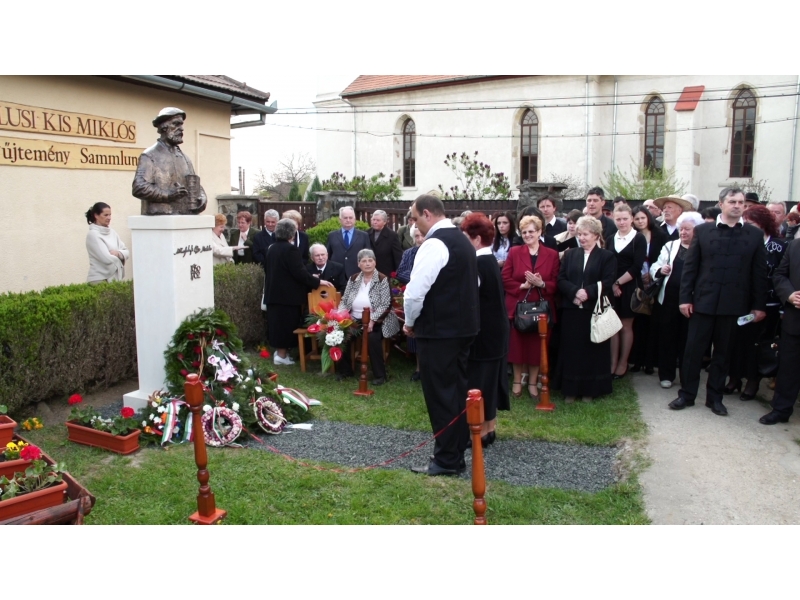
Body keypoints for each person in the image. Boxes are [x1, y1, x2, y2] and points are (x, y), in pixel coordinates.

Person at [668, 188, 769, 416]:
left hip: (734, 305)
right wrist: (685, 299)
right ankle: (687, 395)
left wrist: (758, 305)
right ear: (721, 204)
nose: (737, 205)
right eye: (732, 201)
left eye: (740, 202)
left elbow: (759, 274)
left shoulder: (754, 235)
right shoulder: (703, 231)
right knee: (693, 352)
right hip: (702, 302)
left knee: (723, 354)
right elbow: (690, 268)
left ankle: (715, 398)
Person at [404, 195, 479, 476]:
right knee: (456, 391)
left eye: (415, 218)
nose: (414, 225)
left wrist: (410, 322)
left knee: (441, 395)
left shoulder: (435, 244)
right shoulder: (462, 240)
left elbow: (414, 293)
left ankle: (447, 459)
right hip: (462, 329)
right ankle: (454, 452)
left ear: (427, 213)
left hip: (440, 332)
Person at [725, 204, 786, 400]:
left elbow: (783, 276)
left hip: (768, 305)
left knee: (758, 345)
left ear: (762, 224)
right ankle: (734, 378)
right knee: (736, 342)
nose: (746, 227)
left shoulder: (779, 247)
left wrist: (782, 307)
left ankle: (753, 380)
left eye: (750, 223)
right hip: (740, 302)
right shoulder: (740, 242)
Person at [553, 216, 617, 402]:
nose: (581, 238)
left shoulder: (607, 256)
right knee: (572, 349)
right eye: (579, 234)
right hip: (572, 309)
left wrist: (587, 292)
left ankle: (590, 389)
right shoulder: (570, 254)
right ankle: (570, 389)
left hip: (593, 309)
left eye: (585, 234)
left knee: (592, 350)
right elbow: (561, 279)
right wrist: (574, 292)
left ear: (596, 235)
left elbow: (608, 281)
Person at [461, 213, 510, 447]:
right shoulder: (490, 260)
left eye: (466, 238)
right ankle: (489, 429)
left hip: (484, 334)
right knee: (490, 381)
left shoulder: (477, 264)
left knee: (479, 382)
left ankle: (479, 432)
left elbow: (469, 300)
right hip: (496, 331)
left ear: (477, 239)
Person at [502, 215, 560, 399]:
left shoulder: (551, 254)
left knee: (537, 348)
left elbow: (557, 282)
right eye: (524, 232)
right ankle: (517, 381)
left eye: (531, 232)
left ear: (540, 232)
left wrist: (541, 284)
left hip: (542, 308)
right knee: (517, 346)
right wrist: (522, 286)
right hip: (518, 306)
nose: (527, 235)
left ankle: (533, 383)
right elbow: (505, 278)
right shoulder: (514, 252)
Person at [264, 218, 334, 365]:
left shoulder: (272, 248)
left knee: (277, 325)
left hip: (274, 293)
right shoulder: (291, 249)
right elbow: (299, 272)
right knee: (285, 326)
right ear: (292, 234)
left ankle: (280, 353)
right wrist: (317, 281)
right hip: (287, 296)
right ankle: (281, 356)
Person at [650, 212, 704, 389]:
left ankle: (687, 377)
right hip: (669, 300)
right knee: (667, 337)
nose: (683, 232)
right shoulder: (670, 246)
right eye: (681, 229)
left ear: (697, 230)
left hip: (692, 301)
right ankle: (666, 375)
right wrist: (660, 270)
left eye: (687, 229)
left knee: (688, 340)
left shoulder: (702, 248)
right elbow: (655, 266)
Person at [336, 249, 400, 385]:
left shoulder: (382, 279)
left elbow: (386, 304)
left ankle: (380, 375)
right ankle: (346, 371)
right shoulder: (353, 279)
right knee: (341, 336)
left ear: (375, 262)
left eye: (370, 260)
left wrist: (372, 320)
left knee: (372, 338)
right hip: (354, 319)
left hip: (378, 320)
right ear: (358, 264)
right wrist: (341, 316)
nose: (367, 264)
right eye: (364, 261)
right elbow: (345, 301)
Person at [132, 107, 207, 215]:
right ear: (164, 127)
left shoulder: (185, 158)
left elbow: (194, 184)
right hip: (160, 217)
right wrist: (167, 195)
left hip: (183, 217)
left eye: (181, 125)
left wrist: (202, 197)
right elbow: (139, 187)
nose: (181, 129)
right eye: (176, 124)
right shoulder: (149, 155)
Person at [760, 234, 800, 424]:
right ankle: (781, 410)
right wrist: (790, 295)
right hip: (795, 320)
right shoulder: (795, 246)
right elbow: (779, 275)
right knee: (788, 368)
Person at [606, 204, 647, 378]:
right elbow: (607, 263)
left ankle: (623, 363)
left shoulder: (639, 239)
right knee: (613, 327)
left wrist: (618, 283)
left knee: (625, 326)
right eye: (618, 219)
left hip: (629, 286)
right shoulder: (610, 238)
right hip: (611, 287)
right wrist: (612, 284)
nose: (622, 222)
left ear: (631, 219)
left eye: (625, 219)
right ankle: (612, 363)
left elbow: (637, 266)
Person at [629, 206, 668, 374]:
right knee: (638, 324)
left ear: (648, 218)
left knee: (653, 324)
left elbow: (664, 259)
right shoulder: (632, 236)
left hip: (655, 283)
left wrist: (652, 275)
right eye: (636, 218)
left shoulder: (660, 235)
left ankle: (650, 362)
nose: (640, 221)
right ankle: (637, 361)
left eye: (642, 218)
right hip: (636, 282)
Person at [395, 225, 425, 380]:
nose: (420, 239)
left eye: (422, 235)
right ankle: (419, 368)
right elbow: (401, 272)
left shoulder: (435, 253)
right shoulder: (409, 253)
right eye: (417, 236)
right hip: (414, 296)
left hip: (431, 297)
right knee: (415, 330)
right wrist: (418, 280)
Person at [85, 202, 129, 284]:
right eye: (105, 215)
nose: (109, 218)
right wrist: (122, 257)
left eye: (110, 215)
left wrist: (118, 253)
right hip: (99, 279)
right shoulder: (93, 235)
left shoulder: (113, 232)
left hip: (114, 279)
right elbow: (106, 259)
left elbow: (126, 251)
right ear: (96, 215)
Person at [326, 206, 370, 278]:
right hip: (336, 274)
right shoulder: (332, 235)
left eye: (350, 218)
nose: (348, 220)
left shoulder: (364, 235)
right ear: (340, 220)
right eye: (345, 218)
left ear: (354, 219)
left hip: (357, 274)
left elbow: (368, 256)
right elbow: (327, 256)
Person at [367, 209, 403, 277]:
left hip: (386, 273)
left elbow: (398, 257)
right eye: (373, 220)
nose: (375, 222)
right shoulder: (367, 233)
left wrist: (397, 275)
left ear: (384, 222)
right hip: (369, 272)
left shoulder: (392, 236)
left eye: (378, 220)